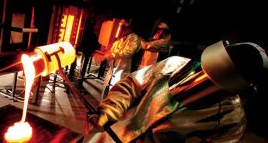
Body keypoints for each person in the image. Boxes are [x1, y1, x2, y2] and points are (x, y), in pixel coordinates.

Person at [85, 40, 267, 142]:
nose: (205, 83)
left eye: (217, 84)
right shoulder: (173, 65)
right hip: (109, 135)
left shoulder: (231, 122)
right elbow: (132, 84)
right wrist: (111, 109)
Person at [92, 19, 142, 97]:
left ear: (130, 25)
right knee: (106, 92)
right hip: (112, 70)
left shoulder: (134, 38)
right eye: (120, 25)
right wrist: (104, 54)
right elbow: (112, 51)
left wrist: (107, 55)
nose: (121, 27)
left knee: (116, 93)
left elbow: (127, 53)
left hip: (123, 70)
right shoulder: (120, 38)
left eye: (123, 24)